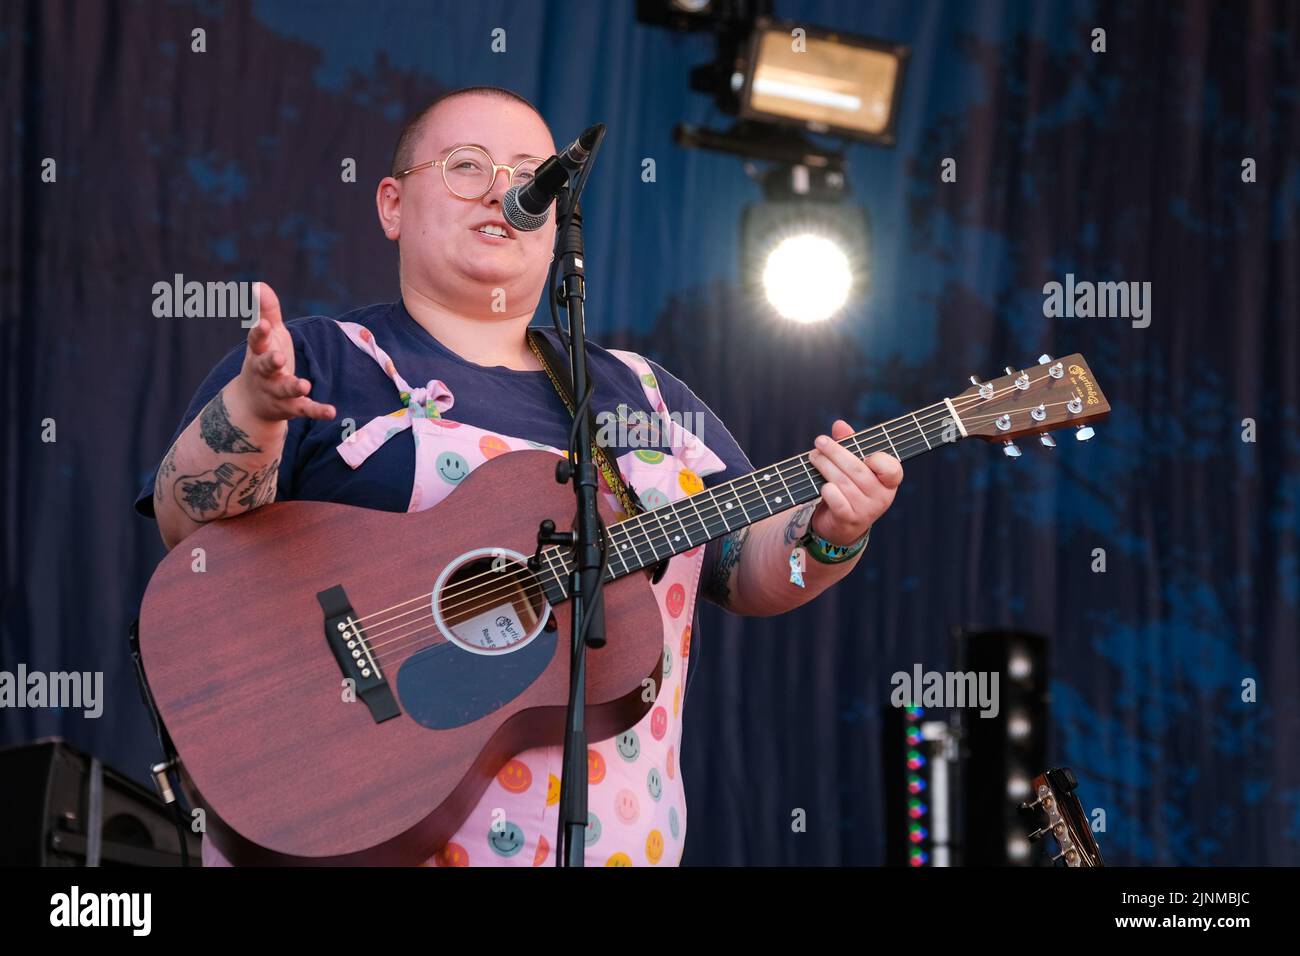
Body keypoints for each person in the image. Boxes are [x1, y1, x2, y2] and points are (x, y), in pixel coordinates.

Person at [134, 86, 904, 867]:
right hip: (357, 834)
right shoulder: (323, 358)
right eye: (467, 166)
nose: (505, 191)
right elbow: (188, 531)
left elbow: (748, 568)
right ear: (392, 204)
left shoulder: (644, 396)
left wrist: (833, 535)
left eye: (531, 174)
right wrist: (253, 409)